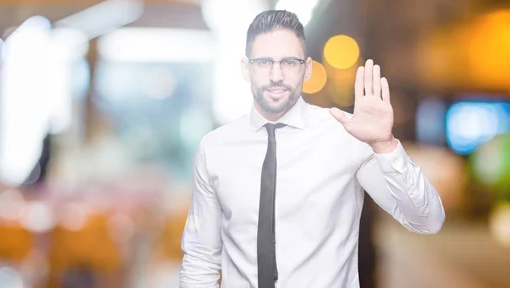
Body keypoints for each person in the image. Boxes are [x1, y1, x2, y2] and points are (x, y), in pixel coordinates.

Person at [179, 9, 445, 288]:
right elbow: (201, 258)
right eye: (263, 62)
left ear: (306, 68)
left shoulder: (346, 137)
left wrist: (385, 145)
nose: (276, 75)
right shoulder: (215, 148)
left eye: (289, 62)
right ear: (246, 69)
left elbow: (427, 220)